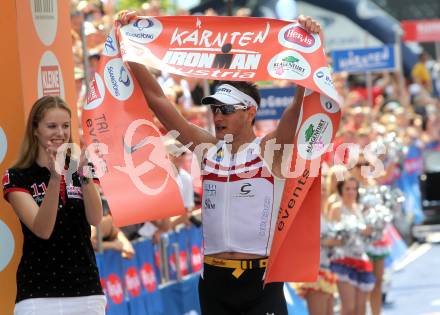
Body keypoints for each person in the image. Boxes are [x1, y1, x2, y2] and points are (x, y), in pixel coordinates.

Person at [118, 11, 321, 315]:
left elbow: (298, 108)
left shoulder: (269, 151)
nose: (218, 116)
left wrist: (309, 45)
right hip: (213, 279)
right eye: (214, 108)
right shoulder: (206, 149)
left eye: (226, 109)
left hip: (260, 281)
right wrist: (129, 45)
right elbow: (157, 100)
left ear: (250, 112)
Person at [2, 96, 105, 314]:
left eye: (65, 125)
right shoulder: (17, 176)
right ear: (35, 129)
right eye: (52, 126)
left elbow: (96, 220)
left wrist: (84, 175)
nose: (60, 133)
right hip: (38, 294)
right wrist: (55, 179)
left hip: (86, 289)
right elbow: (43, 229)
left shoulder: (82, 167)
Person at [328, 177, 375, 315]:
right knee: (349, 307)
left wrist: (368, 231)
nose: (351, 192)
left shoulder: (359, 207)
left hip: (361, 260)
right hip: (343, 261)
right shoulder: (336, 209)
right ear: (340, 190)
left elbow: (367, 234)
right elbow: (332, 236)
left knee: (361, 309)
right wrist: (347, 236)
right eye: (347, 188)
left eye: (354, 188)